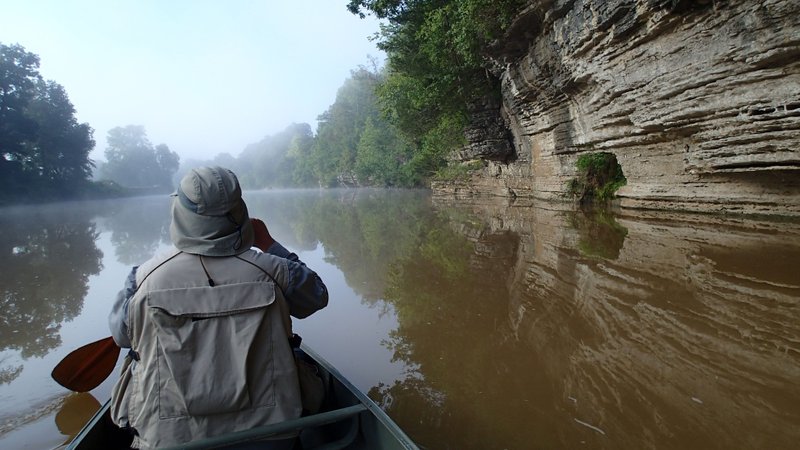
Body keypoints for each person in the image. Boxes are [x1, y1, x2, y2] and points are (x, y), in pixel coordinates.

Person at [107, 166, 328, 449]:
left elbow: (121, 337)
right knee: (295, 353)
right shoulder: (275, 270)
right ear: (240, 212)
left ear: (181, 214)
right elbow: (317, 296)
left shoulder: (143, 278)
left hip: (170, 440)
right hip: (275, 432)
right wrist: (269, 244)